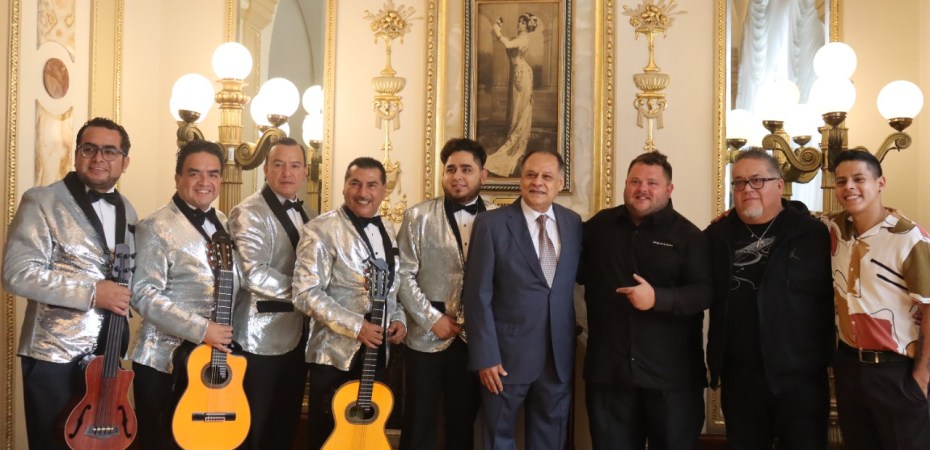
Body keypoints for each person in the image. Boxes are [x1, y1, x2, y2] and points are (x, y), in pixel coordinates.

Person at [2, 117, 135, 449]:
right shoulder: (41, 200)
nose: (98, 158)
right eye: (89, 149)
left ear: (125, 162)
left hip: (108, 353)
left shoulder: (128, 210)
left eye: (109, 151)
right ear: (77, 154)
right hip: (54, 355)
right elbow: (16, 273)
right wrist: (92, 293)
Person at [578, 151, 712, 450]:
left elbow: (704, 292)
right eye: (635, 181)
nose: (642, 189)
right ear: (625, 184)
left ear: (669, 189)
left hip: (672, 378)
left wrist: (657, 299)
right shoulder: (599, 227)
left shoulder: (689, 236)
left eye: (652, 183)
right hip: (610, 374)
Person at [704, 148, 834, 449]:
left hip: (800, 376)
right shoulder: (715, 236)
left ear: (779, 185)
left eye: (757, 180)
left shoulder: (814, 234)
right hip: (740, 376)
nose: (747, 189)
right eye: (739, 182)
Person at [463, 148, 582, 449]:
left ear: (560, 183)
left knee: (550, 439)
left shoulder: (573, 223)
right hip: (504, 359)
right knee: (498, 438)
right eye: (530, 175)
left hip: (557, 358)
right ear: (521, 180)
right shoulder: (491, 224)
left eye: (546, 176)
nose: (537, 182)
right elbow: (477, 296)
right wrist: (485, 356)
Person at [129, 140, 240, 450]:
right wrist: (202, 329)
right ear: (177, 178)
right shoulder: (154, 226)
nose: (205, 182)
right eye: (195, 173)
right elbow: (143, 294)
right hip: (162, 361)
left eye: (213, 174)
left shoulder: (225, 222)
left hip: (211, 360)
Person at [292, 156, 408, 450]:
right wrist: (357, 326)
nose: (363, 192)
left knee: (365, 440)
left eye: (372, 185)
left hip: (377, 354)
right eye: (355, 183)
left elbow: (391, 287)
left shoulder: (388, 228)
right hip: (333, 357)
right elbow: (305, 293)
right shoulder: (320, 229)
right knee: (327, 440)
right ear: (344, 187)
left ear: (384, 190)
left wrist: (399, 318)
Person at [826, 149, 930, 450]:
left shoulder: (909, 237)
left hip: (896, 371)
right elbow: (787, 216)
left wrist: (922, 377)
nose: (849, 187)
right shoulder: (833, 228)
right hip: (849, 367)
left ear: (880, 183)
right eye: (841, 181)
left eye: (859, 179)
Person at [397, 138, 495, 450]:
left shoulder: (499, 219)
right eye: (451, 169)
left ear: (483, 175)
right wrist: (431, 319)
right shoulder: (418, 216)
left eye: (466, 169)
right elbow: (402, 274)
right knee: (418, 421)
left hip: (475, 340)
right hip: (425, 337)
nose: (457, 176)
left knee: (463, 424)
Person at [228, 137, 316, 449]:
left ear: (305, 171)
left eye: (294, 165)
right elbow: (253, 274)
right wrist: (308, 293)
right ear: (265, 169)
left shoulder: (310, 213)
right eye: (278, 164)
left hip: (298, 337)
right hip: (258, 340)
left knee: (284, 426)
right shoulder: (248, 212)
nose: (287, 172)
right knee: (252, 429)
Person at [484, 12, 539, 177]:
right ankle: (512, 135)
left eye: (522, 22)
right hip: (518, 73)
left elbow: (507, 45)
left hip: (522, 74)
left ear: (527, 25)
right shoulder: (518, 38)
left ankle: (515, 142)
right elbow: (505, 42)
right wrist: (498, 29)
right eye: (519, 21)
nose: (519, 24)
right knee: (515, 108)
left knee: (518, 109)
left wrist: (498, 31)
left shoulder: (523, 39)